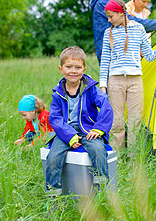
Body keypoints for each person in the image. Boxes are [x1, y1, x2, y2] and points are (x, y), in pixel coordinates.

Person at [99, 0, 156, 150]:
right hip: (115, 81)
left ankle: (134, 157)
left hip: (135, 81)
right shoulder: (108, 33)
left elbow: (149, 55)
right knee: (117, 121)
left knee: (135, 121)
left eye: (111, 16)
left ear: (121, 13)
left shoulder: (139, 29)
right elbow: (105, 60)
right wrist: (103, 85)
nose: (109, 19)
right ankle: (117, 156)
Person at [46, 46, 113, 195]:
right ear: (61, 69)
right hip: (66, 132)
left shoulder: (91, 88)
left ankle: (102, 189)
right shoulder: (58, 93)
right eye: (68, 67)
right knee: (53, 157)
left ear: (84, 69)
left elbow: (106, 106)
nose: (73, 71)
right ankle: (53, 195)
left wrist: (98, 129)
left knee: (97, 149)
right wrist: (69, 136)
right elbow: (55, 118)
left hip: (88, 130)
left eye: (78, 67)